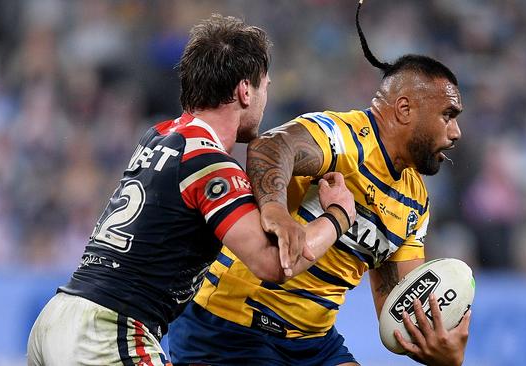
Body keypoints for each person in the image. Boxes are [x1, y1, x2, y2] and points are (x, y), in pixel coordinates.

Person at [26, 14, 355, 366]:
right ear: (245, 90)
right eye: (264, 86)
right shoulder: (210, 163)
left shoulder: (157, 135)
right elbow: (274, 264)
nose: (265, 97)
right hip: (107, 330)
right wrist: (336, 216)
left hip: (56, 319)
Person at [168, 3, 470, 366]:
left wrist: (444, 355)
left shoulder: (416, 201)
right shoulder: (342, 138)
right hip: (229, 327)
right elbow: (271, 146)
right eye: (447, 115)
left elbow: (399, 316)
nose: (455, 132)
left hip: (311, 343)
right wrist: (276, 209)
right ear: (405, 109)